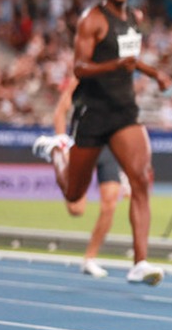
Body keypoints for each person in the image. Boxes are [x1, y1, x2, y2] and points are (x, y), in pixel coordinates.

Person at [31, 0, 170, 286]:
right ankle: (55, 152)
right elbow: (79, 68)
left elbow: (131, 61)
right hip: (92, 113)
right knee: (74, 194)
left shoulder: (134, 18)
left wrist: (154, 74)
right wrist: (113, 65)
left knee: (140, 178)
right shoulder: (92, 19)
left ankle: (140, 262)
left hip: (124, 111)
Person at [54, 73, 126, 278]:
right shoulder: (80, 79)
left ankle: (90, 258)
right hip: (83, 144)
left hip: (108, 148)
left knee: (110, 202)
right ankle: (59, 164)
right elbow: (60, 112)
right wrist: (61, 144)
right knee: (76, 209)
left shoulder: (120, 83)